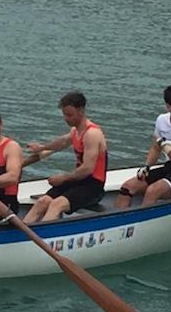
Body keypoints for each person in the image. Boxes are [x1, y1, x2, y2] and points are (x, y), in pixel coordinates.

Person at [115, 84, 171, 209]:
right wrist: (147, 167)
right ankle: (121, 224)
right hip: (170, 167)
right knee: (127, 188)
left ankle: (143, 225)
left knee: (153, 191)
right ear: (168, 107)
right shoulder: (161, 121)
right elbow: (156, 148)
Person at [23, 91, 108, 224]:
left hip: (93, 187)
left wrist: (62, 178)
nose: (66, 118)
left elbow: (87, 169)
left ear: (80, 110)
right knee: (42, 201)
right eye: (64, 114)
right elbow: (62, 142)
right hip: (78, 182)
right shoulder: (75, 130)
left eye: (69, 115)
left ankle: (42, 238)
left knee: (56, 204)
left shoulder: (92, 134)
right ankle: (22, 234)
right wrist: (42, 148)